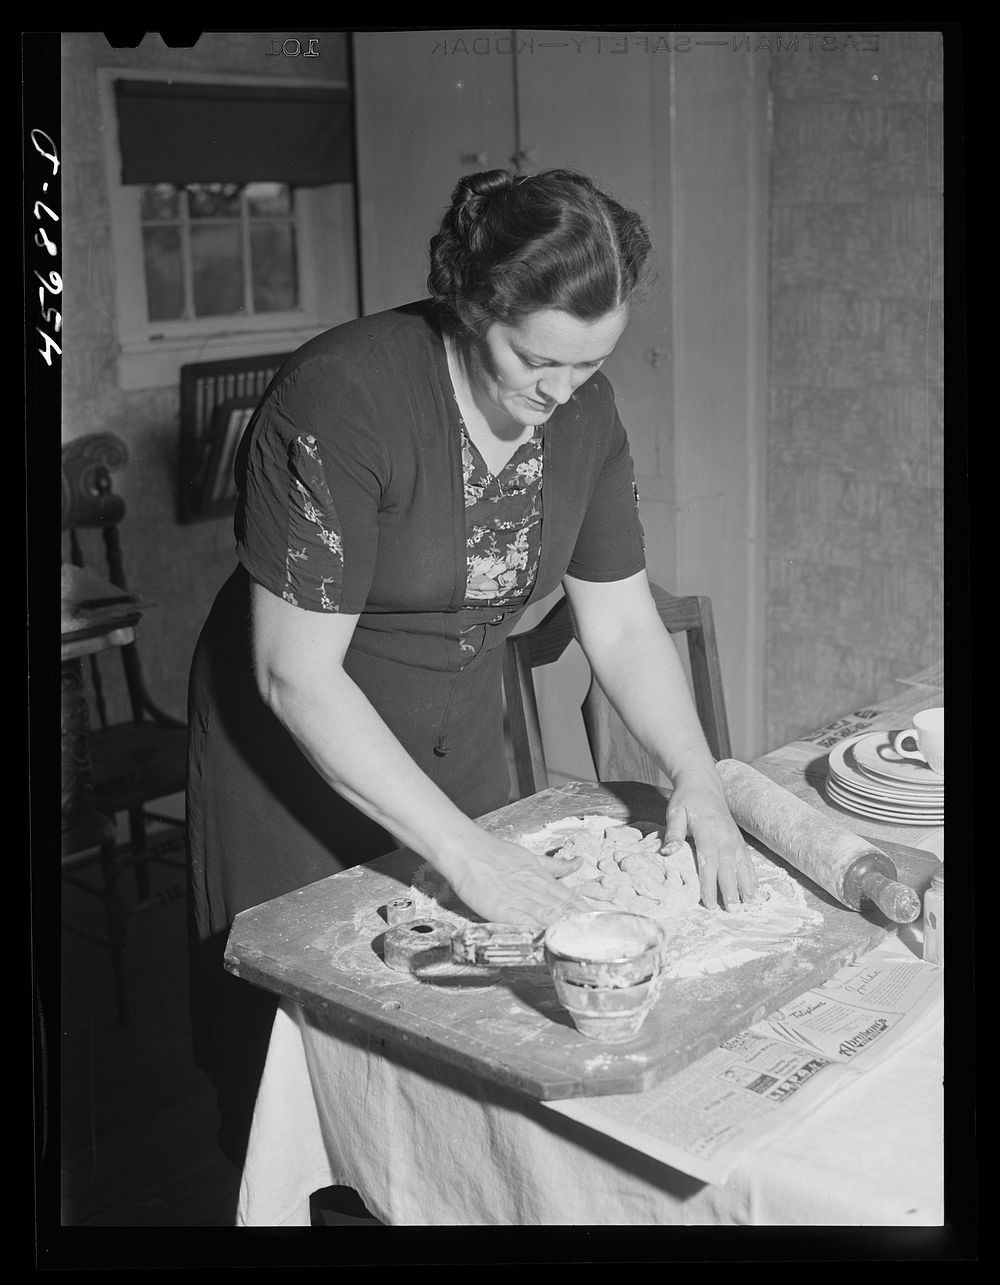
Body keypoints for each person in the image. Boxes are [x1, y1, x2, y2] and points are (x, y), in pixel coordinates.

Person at [186, 167, 758, 1170]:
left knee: (471, 1033)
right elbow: (297, 678)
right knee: (293, 1058)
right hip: (289, 751)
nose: (564, 392)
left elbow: (620, 622)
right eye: (538, 360)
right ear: (466, 303)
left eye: (591, 363)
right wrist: (467, 855)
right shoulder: (343, 396)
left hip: (458, 732)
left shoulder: (582, 410)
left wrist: (695, 774)